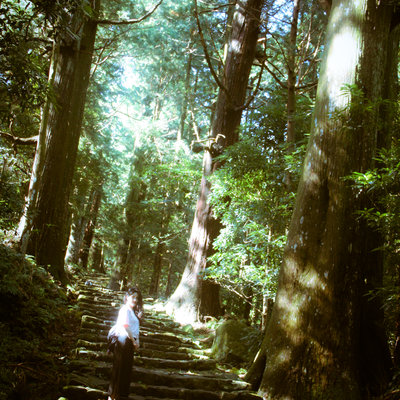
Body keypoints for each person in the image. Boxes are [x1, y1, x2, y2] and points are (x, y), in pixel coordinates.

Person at [107, 286, 143, 400]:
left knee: (126, 371)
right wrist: (133, 341)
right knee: (119, 369)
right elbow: (126, 326)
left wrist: (137, 342)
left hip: (129, 343)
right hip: (123, 341)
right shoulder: (125, 309)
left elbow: (135, 329)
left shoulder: (133, 312)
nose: (135, 300)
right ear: (127, 297)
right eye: (133, 297)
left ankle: (121, 395)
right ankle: (112, 396)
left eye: (137, 298)